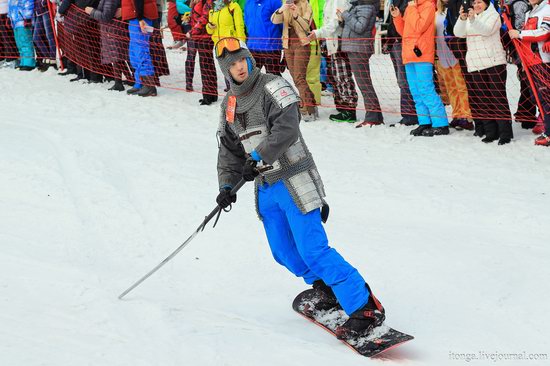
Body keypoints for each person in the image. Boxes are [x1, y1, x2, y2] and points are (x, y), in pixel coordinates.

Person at [213, 37, 385, 339]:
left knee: (312, 249)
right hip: (266, 188)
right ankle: (326, 288)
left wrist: (258, 156)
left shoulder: (272, 85)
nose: (240, 66)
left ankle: (364, 306)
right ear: (225, 69)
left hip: (294, 181)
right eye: (232, 63)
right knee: (284, 252)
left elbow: (287, 127)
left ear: (250, 59)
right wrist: (227, 185)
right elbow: (228, 151)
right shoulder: (229, 104)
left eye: (242, 59)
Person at [454, 0, 513, 144]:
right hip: (475, 64)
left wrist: (473, 19)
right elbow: (458, 33)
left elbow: (486, 31)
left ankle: (505, 133)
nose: (476, 5)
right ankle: (490, 132)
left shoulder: (494, 15)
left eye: (480, 2)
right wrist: (462, 19)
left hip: (494, 63)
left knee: (498, 98)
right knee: (483, 100)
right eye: (474, 2)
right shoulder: (469, 17)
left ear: (486, 3)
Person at [391, 0, 449, 136]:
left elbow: (419, 27)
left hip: (422, 53)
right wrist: (397, 17)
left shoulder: (428, 6)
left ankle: (441, 123)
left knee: (426, 89)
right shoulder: (412, 7)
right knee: (415, 91)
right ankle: (424, 121)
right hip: (409, 53)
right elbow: (404, 31)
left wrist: (411, 9)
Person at [306, 0, 359, 123]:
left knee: (343, 75)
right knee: (335, 75)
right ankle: (342, 104)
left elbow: (335, 22)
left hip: (339, 41)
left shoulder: (338, 1)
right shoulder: (329, 2)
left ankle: (349, 109)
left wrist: (318, 33)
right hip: (331, 41)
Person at [508, 0, 549, 147]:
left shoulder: (546, 9)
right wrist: (524, 62)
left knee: (545, 99)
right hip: (530, 62)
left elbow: (544, 32)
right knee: (536, 98)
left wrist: (519, 33)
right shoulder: (529, 12)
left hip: (542, 61)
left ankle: (549, 134)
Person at [271, 0, 318, 121]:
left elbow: (306, 27)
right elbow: (274, 20)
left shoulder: (306, 5)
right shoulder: (285, 4)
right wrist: (281, 9)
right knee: (296, 78)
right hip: (287, 45)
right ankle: (311, 103)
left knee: (299, 78)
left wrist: (296, 14)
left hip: (301, 43)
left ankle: (307, 109)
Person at [340, 0, 384, 127]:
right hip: (354, 47)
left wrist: (346, 15)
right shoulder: (358, 6)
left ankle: (372, 117)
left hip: (358, 48)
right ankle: (376, 115)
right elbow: (351, 28)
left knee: (364, 84)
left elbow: (360, 27)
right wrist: (343, 19)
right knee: (364, 84)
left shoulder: (366, 7)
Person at [435, 0, 473, 130]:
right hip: (441, 53)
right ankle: (456, 114)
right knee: (450, 87)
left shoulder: (455, 8)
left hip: (455, 52)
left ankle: (466, 115)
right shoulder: (436, 12)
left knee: (461, 86)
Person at [382, 0, 418, 125]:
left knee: (404, 80)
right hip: (395, 42)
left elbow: (404, 20)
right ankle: (409, 114)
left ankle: (410, 115)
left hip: (403, 41)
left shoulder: (406, 2)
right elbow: (390, 21)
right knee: (401, 80)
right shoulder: (391, 1)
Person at [86, 0, 133, 91]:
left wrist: (91, 11)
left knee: (117, 56)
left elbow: (106, 16)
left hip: (113, 29)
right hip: (111, 29)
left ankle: (119, 83)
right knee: (118, 56)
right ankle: (129, 79)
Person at [121, 0, 158, 96]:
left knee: (141, 52)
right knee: (134, 52)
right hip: (134, 17)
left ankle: (149, 85)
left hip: (140, 18)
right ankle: (140, 82)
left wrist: (140, 17)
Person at [188, 0, 218, 105]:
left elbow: (205, 18)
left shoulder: (208, 2)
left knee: (205, 66)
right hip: (201, 36)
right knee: (208, 64)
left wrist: (192, 31)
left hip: (204, 37)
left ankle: (208, 96)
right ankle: (212, 94)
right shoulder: (201, 2)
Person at [244, 0, 284, 76]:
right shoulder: (249, 2)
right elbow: (247, 21)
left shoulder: (275, 2)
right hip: (253, 47)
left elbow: (282, 23)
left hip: (271, 48)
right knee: (250, 77)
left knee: (273, 77)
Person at [8, 0, 36, 70]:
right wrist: (9, 17)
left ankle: (29, 63)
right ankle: (23, 61)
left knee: (25, 42)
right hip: (15, 21)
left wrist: (27, 17)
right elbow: (10, 6)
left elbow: (29, 4)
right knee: (19, 43)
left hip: (22, 21)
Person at [0, 0, 19, 68]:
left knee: (7, 37)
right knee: (2, 38)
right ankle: (3, 58)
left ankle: (12, 58)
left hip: (5, 12)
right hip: (2, 12)